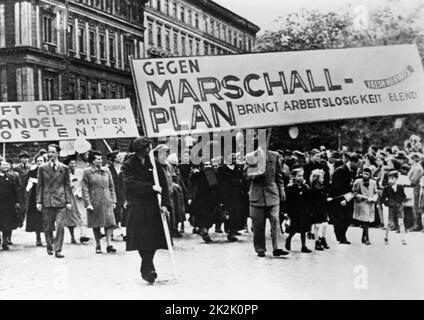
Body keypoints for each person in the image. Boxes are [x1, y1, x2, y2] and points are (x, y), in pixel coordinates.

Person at [120, 137, 172, 284]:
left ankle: (147, 266)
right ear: (139, 149)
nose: (149, 150)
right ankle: (148, 269)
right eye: (146, 148)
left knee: (153, 238)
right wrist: (150, 187)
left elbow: (163, 184)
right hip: (136, 206)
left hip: (153, 206)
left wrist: (165, 204)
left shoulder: (153, 164)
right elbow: (130, 184)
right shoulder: (128, 165)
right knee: (141, 239)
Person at [248, 147, 288, 257]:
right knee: (258, 224)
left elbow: (279, 176)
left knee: (275, 220)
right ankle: (260, 248)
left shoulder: (274, 156)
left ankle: (278, 247)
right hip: (257, 195)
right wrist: (258, 171)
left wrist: (282, 190)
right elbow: (247, 176)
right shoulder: (250, 157)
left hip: (272, 194)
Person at [36, 144, 72, 258]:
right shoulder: (42, 168)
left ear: (57, 153)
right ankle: (49, 244)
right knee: (48, 226)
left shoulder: (64, 168)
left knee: (60, 226)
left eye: (53, 152)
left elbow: (67, 185)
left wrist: (68, 201)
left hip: (60, 200)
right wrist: (39, 201)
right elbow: (40, 186)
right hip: (48, 200)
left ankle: (58, 249)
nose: (50, 154)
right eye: (49, 152)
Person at [81, 150, 117, 254]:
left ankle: (109, 245)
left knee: (109, 223)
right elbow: (85, 188)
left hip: (107, 199)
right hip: (94, 200)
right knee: (96, 223)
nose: (100, 161)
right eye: (97, 159)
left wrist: (113, 200)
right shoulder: (87, 172)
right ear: (92, 161)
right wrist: (88, 203)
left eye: (101, 159)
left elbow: (111, 186)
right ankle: (98, 244)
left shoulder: (106, 170)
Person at [328, 153, 360, 244]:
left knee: (348, 218)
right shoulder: (340, 170)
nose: (358, 166)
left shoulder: (352, 171)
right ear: (353, 162)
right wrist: (342, 199)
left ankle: (341, 235)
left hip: (349, 197)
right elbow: (336, 187)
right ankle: (342, 237)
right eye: (358, 164)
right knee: (340, 218)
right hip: (339, 198)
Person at [217, 153, 246, 242]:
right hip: (226, 194)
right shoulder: (222, 169)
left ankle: (233, 231)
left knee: (236, 213)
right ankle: (229, 230)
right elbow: (219, 182)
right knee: (227, 213)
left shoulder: (238, 169)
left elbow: (241, 179)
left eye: (234, 158)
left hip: (236, 194)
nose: (233, 160)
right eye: (232, 158)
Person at [285, 168, 312, 253]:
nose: (301, 177)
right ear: (294, 177)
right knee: (294, 228)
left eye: (302, 176)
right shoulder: (291, 187)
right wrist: (287, 212)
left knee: (303, 228)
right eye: (299, 176)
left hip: (303, 210)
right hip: (294, 211)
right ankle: (289, 238)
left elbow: (308, 198)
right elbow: (288, 200)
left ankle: (303, 246)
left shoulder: (305, 186)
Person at [0, 159, 22, 250]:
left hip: (8, 204)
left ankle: (5, 242)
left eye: (7, 165)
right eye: (3, 165)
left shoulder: (11, 177)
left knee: (7, 224)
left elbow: (15, 191)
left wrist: (17, 202)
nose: (6, 167)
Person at [352, 168, 378, 245]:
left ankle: (363, 237)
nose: (365, 175)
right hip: (361, 203)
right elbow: (354, 192)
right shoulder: (357, 182)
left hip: (370, 203)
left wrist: (374, 198)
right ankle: (367, 238)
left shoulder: (373, 182)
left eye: (367, 174)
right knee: (365, 220)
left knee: (366, 221)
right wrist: (363, 197)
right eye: (364, 173)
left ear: (370, 175)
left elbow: (376, 192)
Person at [381, 170, 407, 245]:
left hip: (399, 207)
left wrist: (402, 202)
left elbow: (404, 196)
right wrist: (387, 203)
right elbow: (383, 198)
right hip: (391, 207)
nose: (390, 180)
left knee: (401, 222)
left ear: (396, 179)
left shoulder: (400, 187)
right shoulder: (386, 188)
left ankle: (403, 238)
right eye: (390, 178)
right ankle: (386, 237)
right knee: (389, 223)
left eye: (392, 178)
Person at [25, 155, 46, 246]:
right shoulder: (32, 171)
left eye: (41, 161)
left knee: (47, 217)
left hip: (46, 196)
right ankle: (38, 238)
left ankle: (50, 236)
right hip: (35, 197)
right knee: (36, 217)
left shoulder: (48, 170)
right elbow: (28, 186)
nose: (39, 162)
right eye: (38, 161)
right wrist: (30, 183)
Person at [307, 169, 330, 251]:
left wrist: (327, 199)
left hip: (322, 208)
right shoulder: (311, 190)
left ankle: (323, 239)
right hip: (315, 209)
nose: (323, 179)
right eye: (321, 178)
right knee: (317, 226)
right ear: (316, 178)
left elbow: (324, 198)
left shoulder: (323, 188)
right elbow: (310, 201)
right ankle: (317, 242)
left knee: (325, 225)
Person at [63, 155, 83, 244]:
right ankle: (72, 236)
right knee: (71, 217)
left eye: (74, 163)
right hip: (70, 196)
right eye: (71, 163)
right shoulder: (65, 173)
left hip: (79, 196)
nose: (73, 165)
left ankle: (83, 235)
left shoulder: (79, 172)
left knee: (82, 215)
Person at [407, 152, 424, 231]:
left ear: (413, 159)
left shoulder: (417, 168)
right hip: (415, 188)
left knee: (416, 206)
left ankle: (417, 225)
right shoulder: (414, 167)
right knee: (415, 206)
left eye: (410, 159)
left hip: (417, 188)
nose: (409, 161)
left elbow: (413, 180)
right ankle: (416, 224)